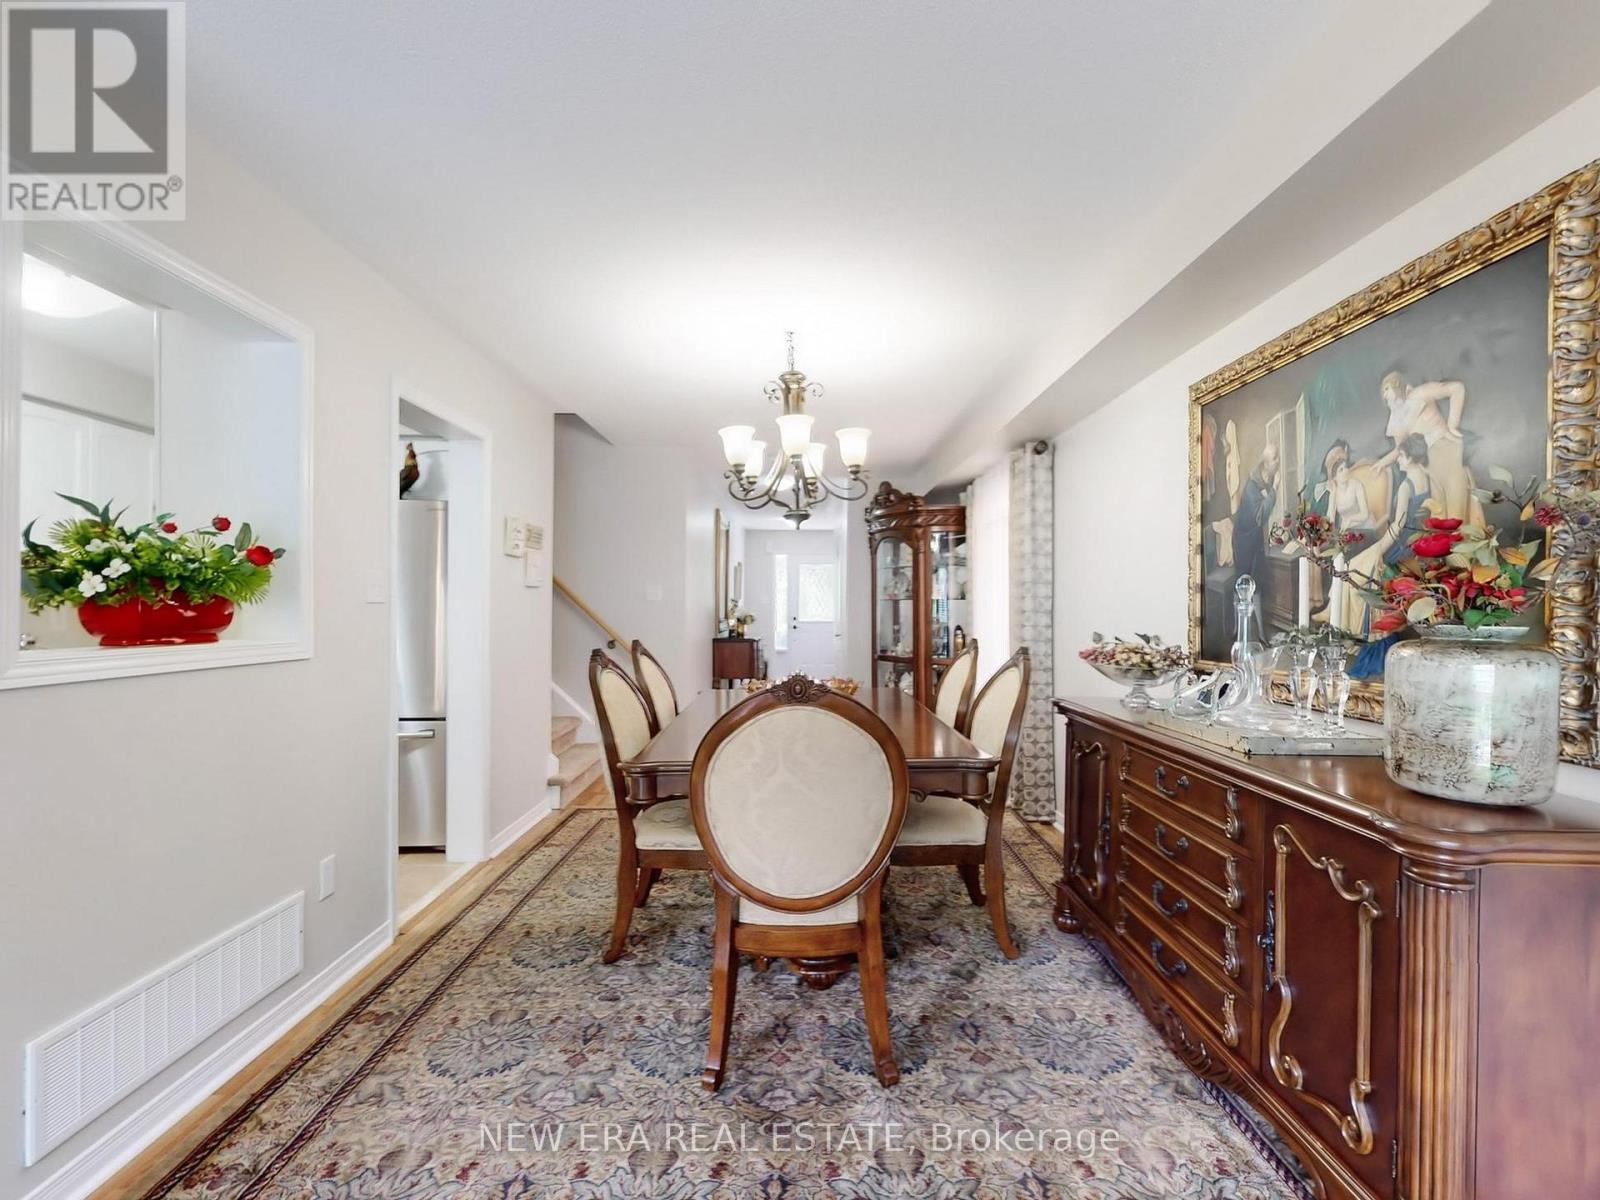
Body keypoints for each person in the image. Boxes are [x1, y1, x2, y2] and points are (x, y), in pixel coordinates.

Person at [1339, 434, 1431, 634]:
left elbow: (1398, 526)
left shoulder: (1407, 486)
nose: (1397, 459)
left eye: (1401, 455)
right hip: (1421, 542)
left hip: (1404, 544)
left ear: (1409, 458)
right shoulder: (1426, 479)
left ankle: (1370, 633)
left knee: (1362, 569)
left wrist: (1378, 549)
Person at [1372, 371, 1479, 523]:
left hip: (1448, 459)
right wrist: (1382, 462)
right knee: (1440, 522)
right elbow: (1400, 449)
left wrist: (1452, 426)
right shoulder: (1397, 419)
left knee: (1456, 522)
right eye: (1382, 391)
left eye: (1386, 389)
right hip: (1432, 471)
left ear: (1397, 384)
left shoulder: (1420, 393)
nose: (1384, 395)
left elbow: (1457, 388)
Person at [1231, 441, 1279, 588]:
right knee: (1245, 585)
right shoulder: (1252, 486)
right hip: (1244, 542)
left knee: (1257, 584)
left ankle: (1256, 612)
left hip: (1255, 539)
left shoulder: (1265, 481)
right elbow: (1261, 515)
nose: (1278, 462)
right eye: (1275, 458)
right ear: (1265, 464)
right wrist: (1276, 488)